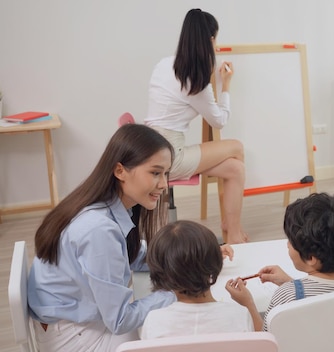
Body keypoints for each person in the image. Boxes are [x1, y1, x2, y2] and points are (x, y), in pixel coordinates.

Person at [28, 124, 177, 351]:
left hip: (71, 322)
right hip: (73, 337)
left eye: (166, 173)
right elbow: (119, 320)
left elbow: (132, 255)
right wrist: (177, 293)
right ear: (120, 171)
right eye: (155, 173)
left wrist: (189, 257)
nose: (164, 184)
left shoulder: (104, 205)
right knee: (173, 329)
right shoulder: (99, 230)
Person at [144, 8, 247, 244]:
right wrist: (226, 85)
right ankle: (234, 234)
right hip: (170, 158)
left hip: (149, 148)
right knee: (237, 148)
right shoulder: (195, 80)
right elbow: (219, 120)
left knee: (235, 169)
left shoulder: (164, 65)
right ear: (210, 40)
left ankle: (232, 230)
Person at [225, 192, 334, 331]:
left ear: (311, 258)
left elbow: (266, 342)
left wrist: (248, 304)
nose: (287, 244)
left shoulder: (286, 295)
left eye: (291, 241)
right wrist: (289, 282)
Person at [140, 220, 253, 339]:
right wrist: (248, 304)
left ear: (159, 273)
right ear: (216, 263)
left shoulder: (154, 322)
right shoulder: (239, 316)